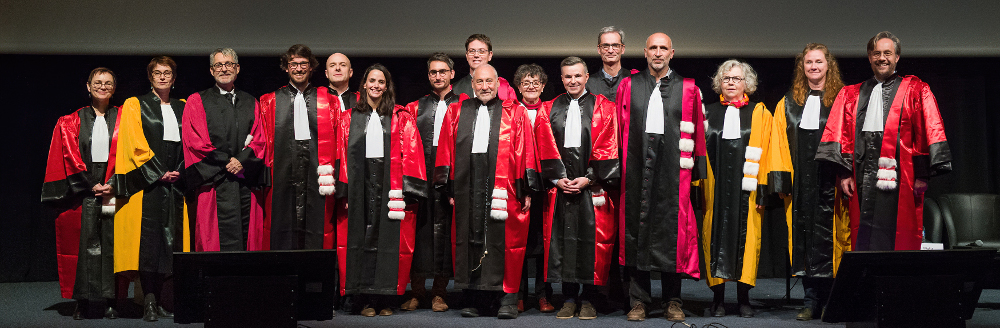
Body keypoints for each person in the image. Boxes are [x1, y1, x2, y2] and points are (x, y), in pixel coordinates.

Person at [817, 31, 952, 252]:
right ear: (870, 57)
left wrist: (922, 174)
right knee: (863, 234)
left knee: (901, 234)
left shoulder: (916, 90)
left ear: (897, 57)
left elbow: (928, 131)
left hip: (904, 177)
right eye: (877, 53)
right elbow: (841, 135)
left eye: (887, 53)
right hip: (861, 176)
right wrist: (844, 174)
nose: (882, 58)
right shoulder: (851, 94)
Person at [435, 64, 540, 319]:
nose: (484, 87)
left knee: (504, 242)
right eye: (479, 82)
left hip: (504, 187)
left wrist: (527, 189)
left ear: (498, 84)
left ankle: (507, 299)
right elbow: (446, 150)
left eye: (489, 82)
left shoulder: (514, 112)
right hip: (467, 186)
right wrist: (449, 187)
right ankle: (474, 297)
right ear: (472, 84)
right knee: (471, 239)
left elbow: (526, 150)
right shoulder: (457, 111)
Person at [614, 32, 705, 322]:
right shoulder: (628, 86)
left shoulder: (689, 88)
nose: (657, 53)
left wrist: (697, 177)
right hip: (635, 166)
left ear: (672, 53)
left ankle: (672, 301)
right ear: (644, 52)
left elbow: (698, 134)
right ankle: (639, 301)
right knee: (636, 233)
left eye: (663, 48)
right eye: (652, 48)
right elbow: (618, 127)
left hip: (673, 172)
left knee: (671, 235)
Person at [335, 64, 427, 317]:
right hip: (359, 186)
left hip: (390, 185)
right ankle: (363, 299)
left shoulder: (401, 117)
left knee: (389, 241)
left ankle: (385, 298)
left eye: (381, 82)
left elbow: (411, 151)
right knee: (360, 240)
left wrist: (407, 191)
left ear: (387, 87)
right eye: (372, 80)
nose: (376, 85)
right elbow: (341, 154)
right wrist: (344, 191)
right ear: (363, 84)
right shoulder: (347, 118)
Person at [534, 57, 620, 320]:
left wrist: (590, 177)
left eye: (577, 76)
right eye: (567, 77)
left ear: (586, 78)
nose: (572, 81)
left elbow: (609, 144)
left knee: (591, 242)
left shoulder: (604, 108)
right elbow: (541, 146)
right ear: (561, 79)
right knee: (563, 241)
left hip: (592, 187)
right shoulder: (548, 108)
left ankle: (590, 299)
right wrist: (557, 179)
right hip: (559, 188)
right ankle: (569, 298)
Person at [768, 43, 848, 321]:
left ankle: (831, 300)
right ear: (802, 68)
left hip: (833, 183)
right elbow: (777, 143)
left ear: (829, 65)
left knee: (835, 241)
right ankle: (810, 300)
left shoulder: (842, 99)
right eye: (808, 63)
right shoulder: (788, 102)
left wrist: (847, 173)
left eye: (819, 62)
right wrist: (780, 183)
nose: (814, 67)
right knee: (803, 241)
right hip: (801, 185)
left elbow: (849, 140)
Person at [114, 56, 189, 322]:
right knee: (149, 241)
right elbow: (135, 142)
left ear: (174, 77)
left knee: (173, 241)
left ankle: (166, 298)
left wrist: (179, 169)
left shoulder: (183, 106)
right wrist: (159, 172)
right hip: (148, 184)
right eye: (157, 73)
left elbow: (191, 142)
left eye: (167, 73)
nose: (162, 77)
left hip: (177, 183)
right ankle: (148, 299)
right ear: (150, 77)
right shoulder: (136, 104)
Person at [42, 67, 121, 320]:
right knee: (84, 246)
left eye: (108, 83)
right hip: (83, 190)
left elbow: (131, 154)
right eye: (98, 82)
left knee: (111, 244)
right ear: (88, 86)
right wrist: (90, 184)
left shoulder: (125, 120)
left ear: (114, 88)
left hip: (113, 188)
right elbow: (69, 156)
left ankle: (111, 300)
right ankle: (83, 301)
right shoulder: (70, 121)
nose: (103, 86)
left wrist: (114, 183)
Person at [698, 59, 774, 318]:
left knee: (747, 242)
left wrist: (764, 190)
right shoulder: (706, 113)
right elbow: (697, 154)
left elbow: (769, 154)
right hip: (715, 190)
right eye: (727, 78)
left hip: (747, 192)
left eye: (737, 78)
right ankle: (717, 299)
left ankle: (744, 298)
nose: (731, 82)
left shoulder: (760, 113)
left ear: (747, 84)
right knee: (714, 238)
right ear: (720, 83)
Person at [182, 48, 267, 252]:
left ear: (237, 68)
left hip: (244, 182)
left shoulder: (251, 101)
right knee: (213, 244)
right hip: (213, 185)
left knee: (248, 245)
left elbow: (260, 139)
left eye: (229, 64)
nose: (224, 69)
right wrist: (227, 162)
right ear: (211, 70)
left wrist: (242, 161)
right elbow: (195, 142)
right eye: (219, 65)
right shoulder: (197, 101)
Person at [400, 53, 467, 313]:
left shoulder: (464, 104)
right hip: (420, 179)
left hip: (450, 180)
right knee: (418, 235)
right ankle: (417, 291)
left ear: (452, 74)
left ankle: (439, 292)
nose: (437, 76)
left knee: (444, 234)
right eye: (433, 72)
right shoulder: (414, 107)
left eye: (442, 71)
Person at [257, 44, 339, 250]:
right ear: (286, 67)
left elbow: (339, 140)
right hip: (282, 172)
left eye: (304, 64)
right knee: (281, 221)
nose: (299, 68)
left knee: (317, 224)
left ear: (311, 67)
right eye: (294, 64)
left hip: (316, 170)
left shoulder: (329, 101)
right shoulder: (269, 101)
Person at [512, 63, 555, 313]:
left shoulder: (551, 111)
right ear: (518, 87)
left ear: (543, 86)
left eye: (535, 82)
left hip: (545, 188)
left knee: (542, 245)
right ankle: (517, 294)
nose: (531, 86)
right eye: (526, 82)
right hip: (517, 187)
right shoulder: (510, 112)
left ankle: (543, 295)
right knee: (517, 244)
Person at [451, 34, 517, 100]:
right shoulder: (454, 89)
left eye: (481, 51)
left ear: (490, 55)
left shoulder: (503, 87)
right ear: (466, 55)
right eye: (472, 51)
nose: (476, 55)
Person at [586, 26, 636, 102]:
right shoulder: (588, 84)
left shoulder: (635, 81)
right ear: (599, 50)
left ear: (622, 49)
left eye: (615, 46)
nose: (610, 50)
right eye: (605, 46)